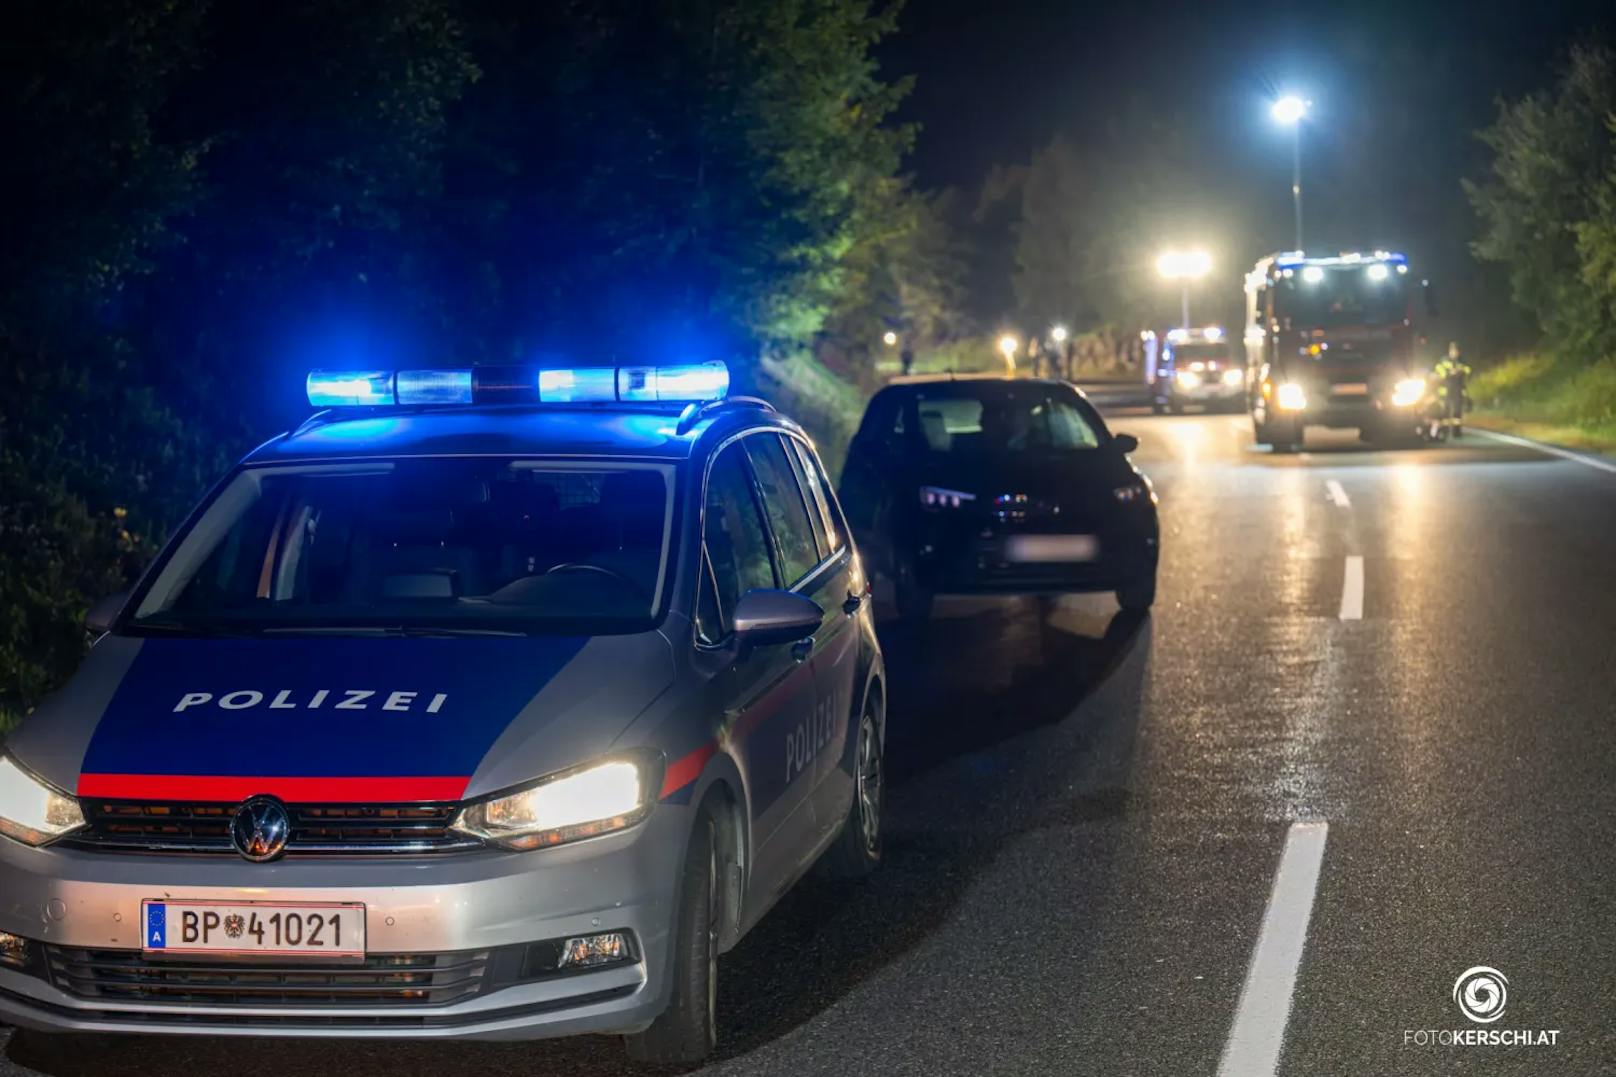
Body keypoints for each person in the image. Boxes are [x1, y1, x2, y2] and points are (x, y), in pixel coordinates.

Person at [1432, 341, 1472, 438]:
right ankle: (1444, 431)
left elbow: (1468, 370)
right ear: (1450, 351)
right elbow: (1439, 370)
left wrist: (1460, 370)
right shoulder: (1443, 360)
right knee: (1445, 411)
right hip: (1446, 389)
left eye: (1456, 351)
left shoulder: (1462, 361)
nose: (1455, 353)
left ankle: (1456, 432)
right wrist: (1449, 373)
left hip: (1458, 389)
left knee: (1457, 412)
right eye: (1453, 351)